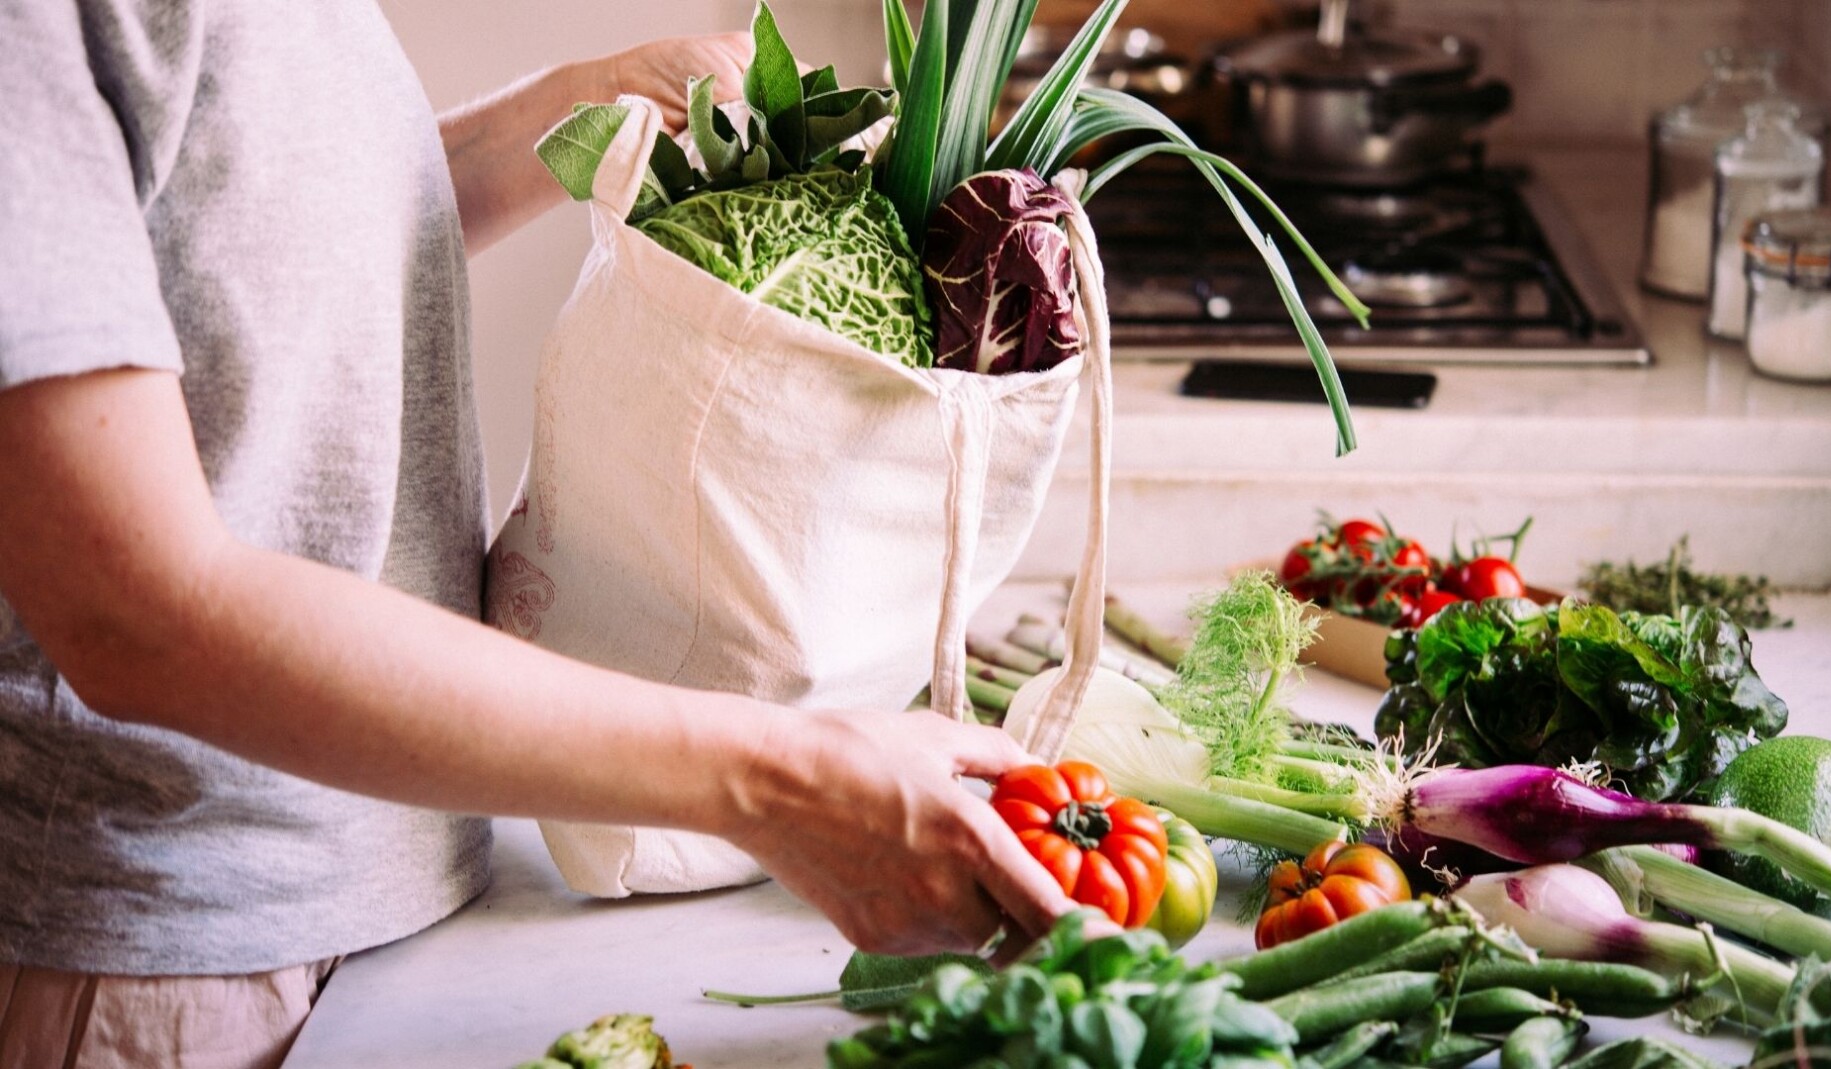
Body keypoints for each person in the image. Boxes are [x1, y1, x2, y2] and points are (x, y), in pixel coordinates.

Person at [0, 4, 1073, 1065]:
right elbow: (131, 612)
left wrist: (597, 98)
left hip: (391, 892)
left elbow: (243, 226)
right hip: (168, 962)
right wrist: (775, 780)